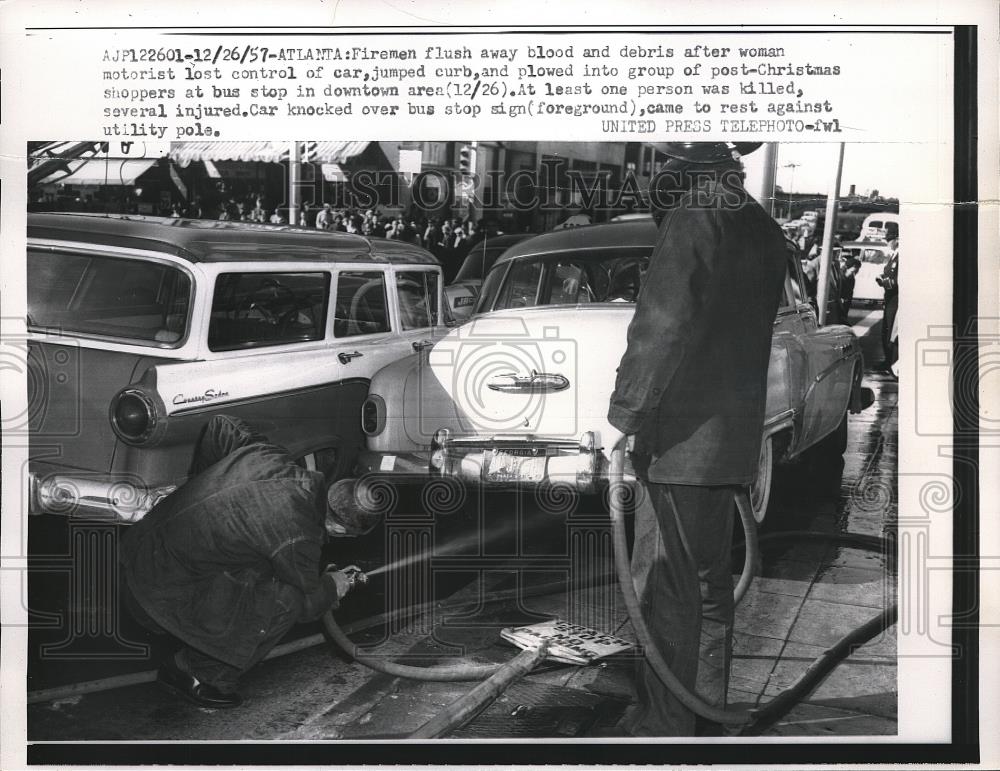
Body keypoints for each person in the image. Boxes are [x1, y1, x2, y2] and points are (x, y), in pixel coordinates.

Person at [605, 142, 787, 736]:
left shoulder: (695, 215)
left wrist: (627, 412)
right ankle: (700, 711)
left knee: (668, 587)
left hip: (681, 443)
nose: (654, 176)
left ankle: (667, 722)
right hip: (725, 443)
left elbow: (662, 324)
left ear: (682, 165)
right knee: (705, 587)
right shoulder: (756, 220)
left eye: (661, 165)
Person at [119, 415, 376, 708]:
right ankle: (196, 674)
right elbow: (306, 604)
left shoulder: (273, 459)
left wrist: (204, 488)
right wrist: (335, 584)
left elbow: (221, 425)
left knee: (260, 563)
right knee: (286, 600)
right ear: (341, 529)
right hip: (151, 596)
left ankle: (198, 636)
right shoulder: (299, 536)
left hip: (136, 550)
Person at [878, 236, 899, 371]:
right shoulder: (894, 256)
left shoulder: (900, 257)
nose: (888, 243)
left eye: (889, 240)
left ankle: (890, 362)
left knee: (890, 330)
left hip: (894, 298)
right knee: (886, 329)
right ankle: (887, 361)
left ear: (896, 240)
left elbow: (896, 281)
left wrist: (883, 282)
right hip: (889, 298)